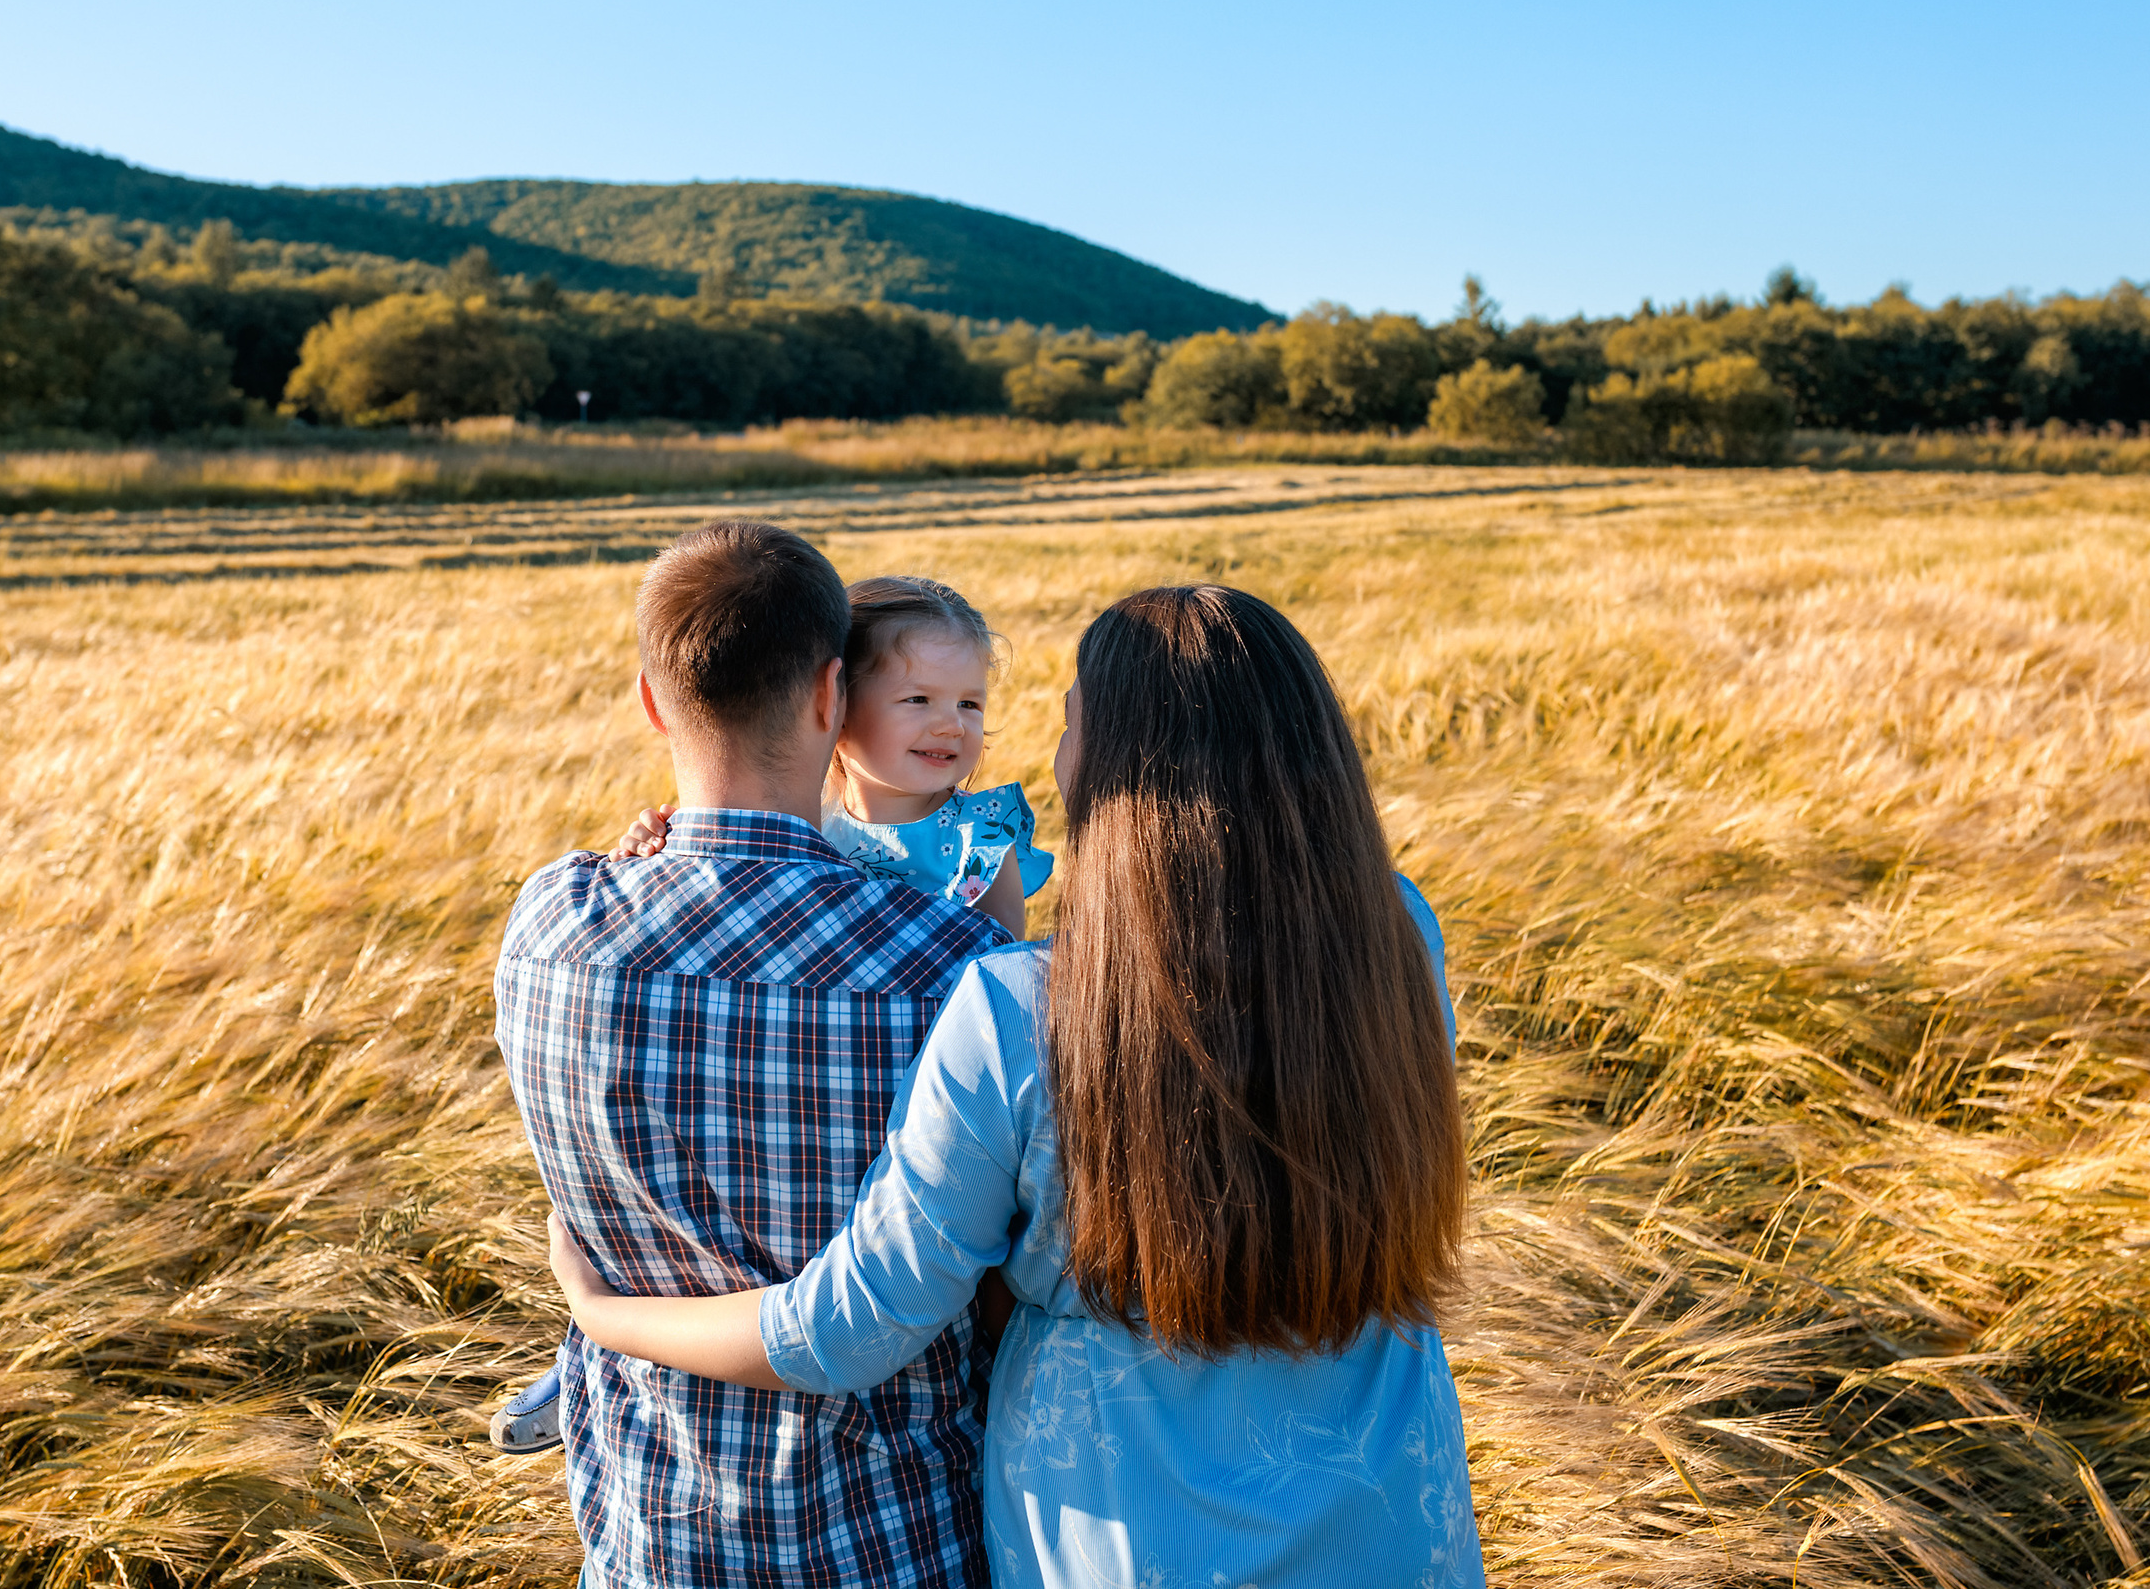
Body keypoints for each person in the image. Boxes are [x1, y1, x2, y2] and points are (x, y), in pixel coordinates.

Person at [544, 584, 1489, 1589]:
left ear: (1121, 766)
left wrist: (606, 1316)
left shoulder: (1012, 1011)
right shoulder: (1400, 933)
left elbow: (851, 1326)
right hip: (1393, 1525)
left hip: (1125, 1541)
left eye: (1072, 723)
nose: (1050, 756)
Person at [493, 522, 1014, 1589]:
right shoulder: (957, 966)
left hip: (647, 1526)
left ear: (650, 700)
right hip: (897, 1530)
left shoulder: (548, 925)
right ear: (833, 699)